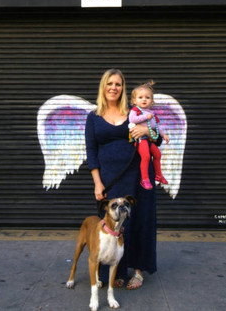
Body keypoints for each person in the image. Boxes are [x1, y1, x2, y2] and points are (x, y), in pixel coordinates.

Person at [85, 69, 158, 290]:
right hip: (110, 180)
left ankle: (137, 271)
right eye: (110, 83)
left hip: (138, 175)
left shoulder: (134, 112)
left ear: (123, 88)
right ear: (103, 86)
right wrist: (97, 182)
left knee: (140, 220)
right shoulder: (94, 117)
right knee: (112, 227)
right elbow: (91, 152)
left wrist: (146, 130)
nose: (113, 88)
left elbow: (157, 138)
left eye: (118, 84)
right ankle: (115, 270)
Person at [129, 81, 170, 190]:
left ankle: (158, 175)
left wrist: (164, 134)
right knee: (146, 156)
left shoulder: (151, 114)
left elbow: (157, 126)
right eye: (140, 97)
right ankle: (145, 179)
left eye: (147, 97)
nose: (144, 99)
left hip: (149, 140)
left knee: (157, 154)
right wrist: (145, 117)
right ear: (134, 100)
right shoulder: (135, 110)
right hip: (140, 140)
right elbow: (132, 119)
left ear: (151, 101)